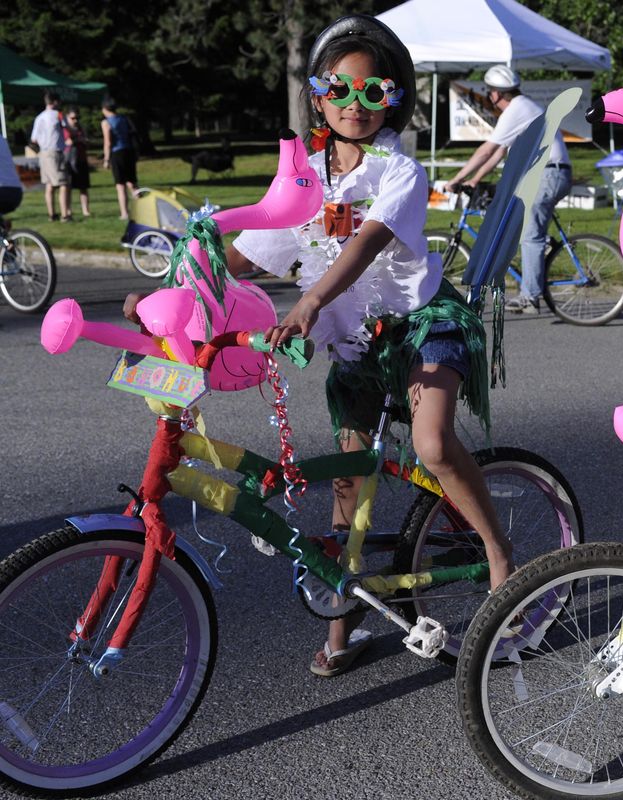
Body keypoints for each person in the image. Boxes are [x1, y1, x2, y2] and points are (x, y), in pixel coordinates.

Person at [124, 15, 515, 677]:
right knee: (348, 482)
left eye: (374, 92)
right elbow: (249, 252)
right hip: (357, 339)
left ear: (396, 98)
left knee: (431, 444)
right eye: (340, 90)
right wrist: (172, 287)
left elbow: (367, 244)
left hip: (421, 320)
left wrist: (310, 300)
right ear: (317, 95)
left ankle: (503, 556)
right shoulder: (304, 174)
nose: (355, 106)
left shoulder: (400, 170)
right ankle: (346, 617)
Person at [444, 66, 572, 314]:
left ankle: (530, 298)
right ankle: (541, 246)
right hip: (551, 173)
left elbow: (486, 150)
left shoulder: (516, 109)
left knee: (528, 237)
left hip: (548, 174)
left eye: (490, 92)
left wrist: (456, 178)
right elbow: (499, 153)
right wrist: (473, 180)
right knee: (522, 227)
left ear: (495, 94)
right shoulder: (523, 106)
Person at [30, 91, 70, 222]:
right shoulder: (57, 115)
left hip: (44, 153)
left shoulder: (39, 117)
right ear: (56, 102)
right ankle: (65, 215)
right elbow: (67, 129)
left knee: (49, 185)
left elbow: (34, 140)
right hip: (55, 153)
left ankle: (52, 215)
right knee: (63, 183)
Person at [101, 98, 138, 219]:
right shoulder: (123, 118)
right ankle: (142, 209)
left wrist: (106, 159)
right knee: (132, 183)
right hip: (128, 151)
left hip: (117, 153)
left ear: (105, 109)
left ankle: (124, 213)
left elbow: (108, 142)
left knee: (120, 185)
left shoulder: (106, 122)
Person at [63, 107, 92, 218]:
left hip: (81, 159)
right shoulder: (65, 129)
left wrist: (83, 140)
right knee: (68, 187)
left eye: (77, 118)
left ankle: (86, 210)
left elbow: (87, 142)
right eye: (73, 118)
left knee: (83, 187)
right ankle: (68, 210)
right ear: (67, 117)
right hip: (70, 161)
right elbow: (68, 142)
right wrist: (79, 140)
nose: (75, 120)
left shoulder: (80, 128)